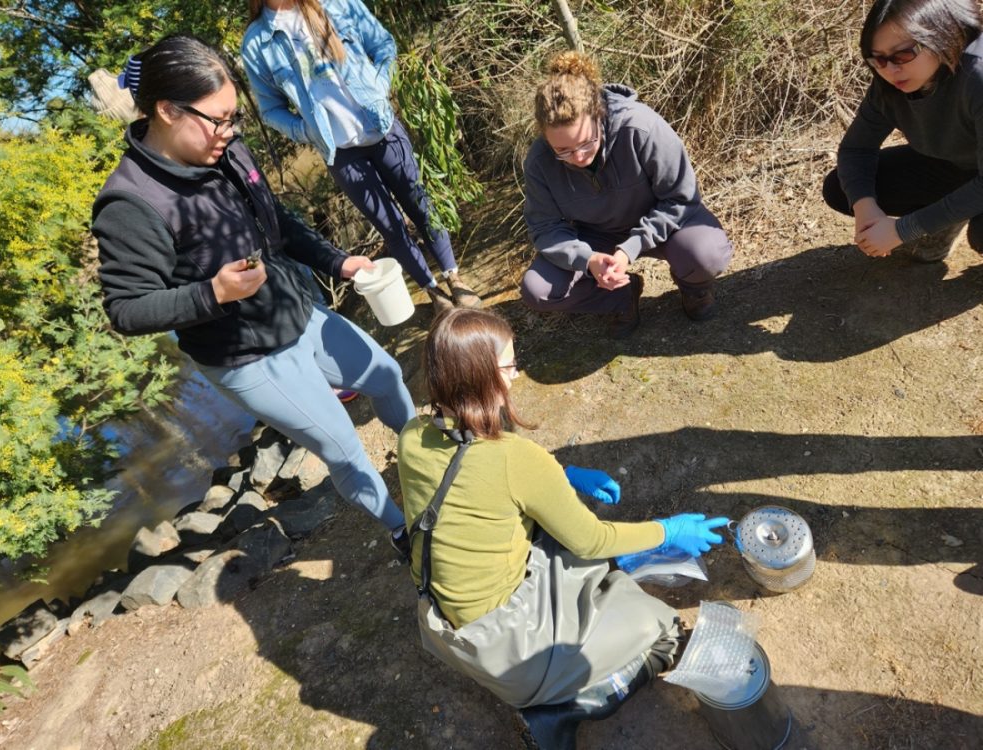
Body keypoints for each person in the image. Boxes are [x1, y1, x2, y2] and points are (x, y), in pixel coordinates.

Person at [92, 34, 415, 554]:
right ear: (167, 111)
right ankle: (404, 532)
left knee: (387, 376)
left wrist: (337, 260)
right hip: (250, 358)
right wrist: (212, 293)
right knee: (345, 450)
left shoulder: (225, 148)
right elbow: (125, 309)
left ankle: (434, 460)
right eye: (219, 119)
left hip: (299, 310)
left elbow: (277, 221)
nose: (230, 130)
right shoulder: (131, 204)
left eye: (234, 116)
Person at [397, 308, 728, 749]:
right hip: (510, 644)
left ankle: (570, 646)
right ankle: (559, 712)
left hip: (447, 621)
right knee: (663, 630)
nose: (516, 374)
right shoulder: (514, 458)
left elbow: (482, 485)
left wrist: (561, 473)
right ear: (478, 375)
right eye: (509, 365)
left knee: (563, 538)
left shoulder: (411, 434)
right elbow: (591, 538)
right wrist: (668, 531)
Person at [240, 0, 482, 314]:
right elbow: (270, 109)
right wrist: (307, 132)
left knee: (421, 207)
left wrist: (380, 87)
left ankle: (454, 278)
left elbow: (383, 45)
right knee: (391, 228)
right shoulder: (256, 42)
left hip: (384, 131)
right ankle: (433, 292)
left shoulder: (338, 4)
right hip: (341, 155)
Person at [521, 52, 734, 338]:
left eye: (586, 143)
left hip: (662, 225)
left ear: (599, 114)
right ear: (545, 137)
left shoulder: (642, 128)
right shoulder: (538, 162)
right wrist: (588, 260)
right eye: (563, 151)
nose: (579, 157)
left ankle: (693, 287)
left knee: (707, 254)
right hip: (596, 237)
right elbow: (544, 227)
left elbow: (681, 197)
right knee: (537, 290)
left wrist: (630, 247)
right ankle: (622, 297)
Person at [823, 0, 983, 264]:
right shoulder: (890, 82)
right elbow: (856, 149)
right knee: (842, 189)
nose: (890, 70)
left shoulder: (977, 77)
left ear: (943, 35)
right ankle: (944, 221)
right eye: (878, 59)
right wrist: (866, 209)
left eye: (903, 54)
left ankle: (942, 220)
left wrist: (903, 229)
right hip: (958, 165)